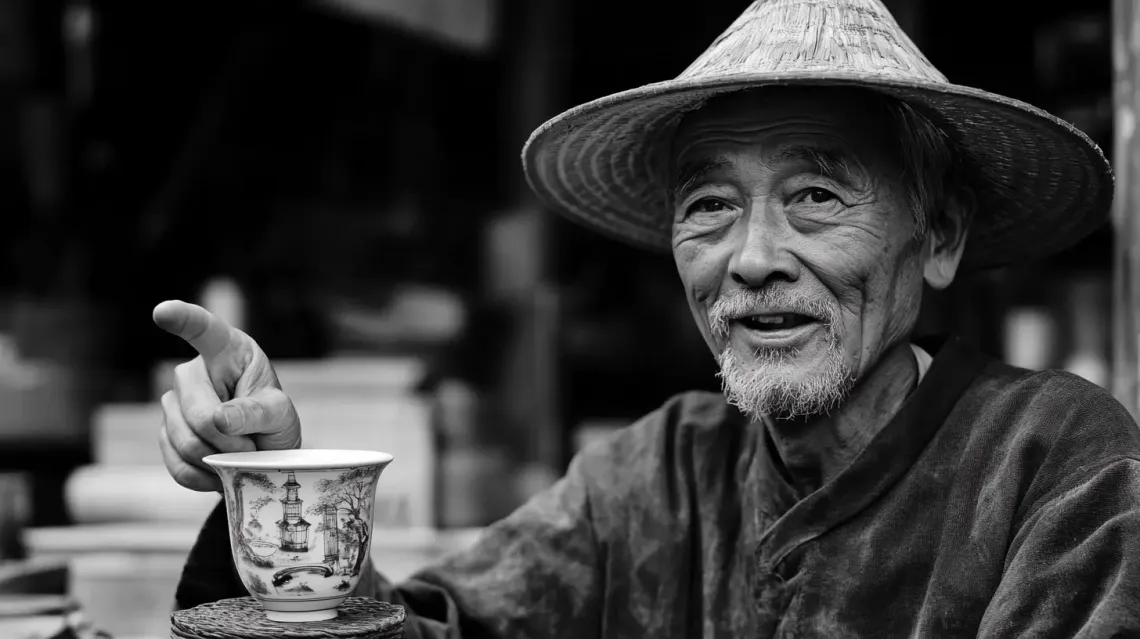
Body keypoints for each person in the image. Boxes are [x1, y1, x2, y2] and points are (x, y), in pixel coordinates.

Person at [154, 0, 1139, 636]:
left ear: (939, 238)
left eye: (816, 199)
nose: (751, 260)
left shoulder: (1057, 465)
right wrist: (277, 481)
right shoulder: (655, 478)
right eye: (710, 206)